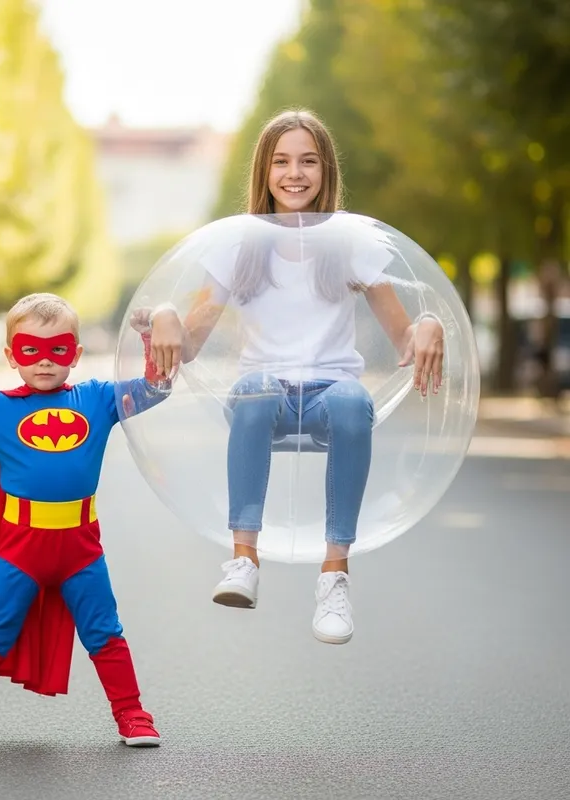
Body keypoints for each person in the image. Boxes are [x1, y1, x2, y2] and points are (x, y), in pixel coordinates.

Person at [147, 109, 444, 644]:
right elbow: (188, 344)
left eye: (308, 161)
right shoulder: (237, 246)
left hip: (332, 394)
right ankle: (244, 561)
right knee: (256, 391)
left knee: (352, 401)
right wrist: (166, 316)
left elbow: (405, 338)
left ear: (326, 169)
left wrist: (428, 326)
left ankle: (334, 578)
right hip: (265, 395)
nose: (295, 173)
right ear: (264, 171)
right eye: (281, 161)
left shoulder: (351, 243)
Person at [0, 292, 168, 747]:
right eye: (31, 350)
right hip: (19, 549)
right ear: (12, 356)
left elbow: (154, 388)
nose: (44, 361)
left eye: (57, 349)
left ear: (75, 354)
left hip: (80, 549)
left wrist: (147, 338)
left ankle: (133, 715)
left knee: (105, 633)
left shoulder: (98, 398)